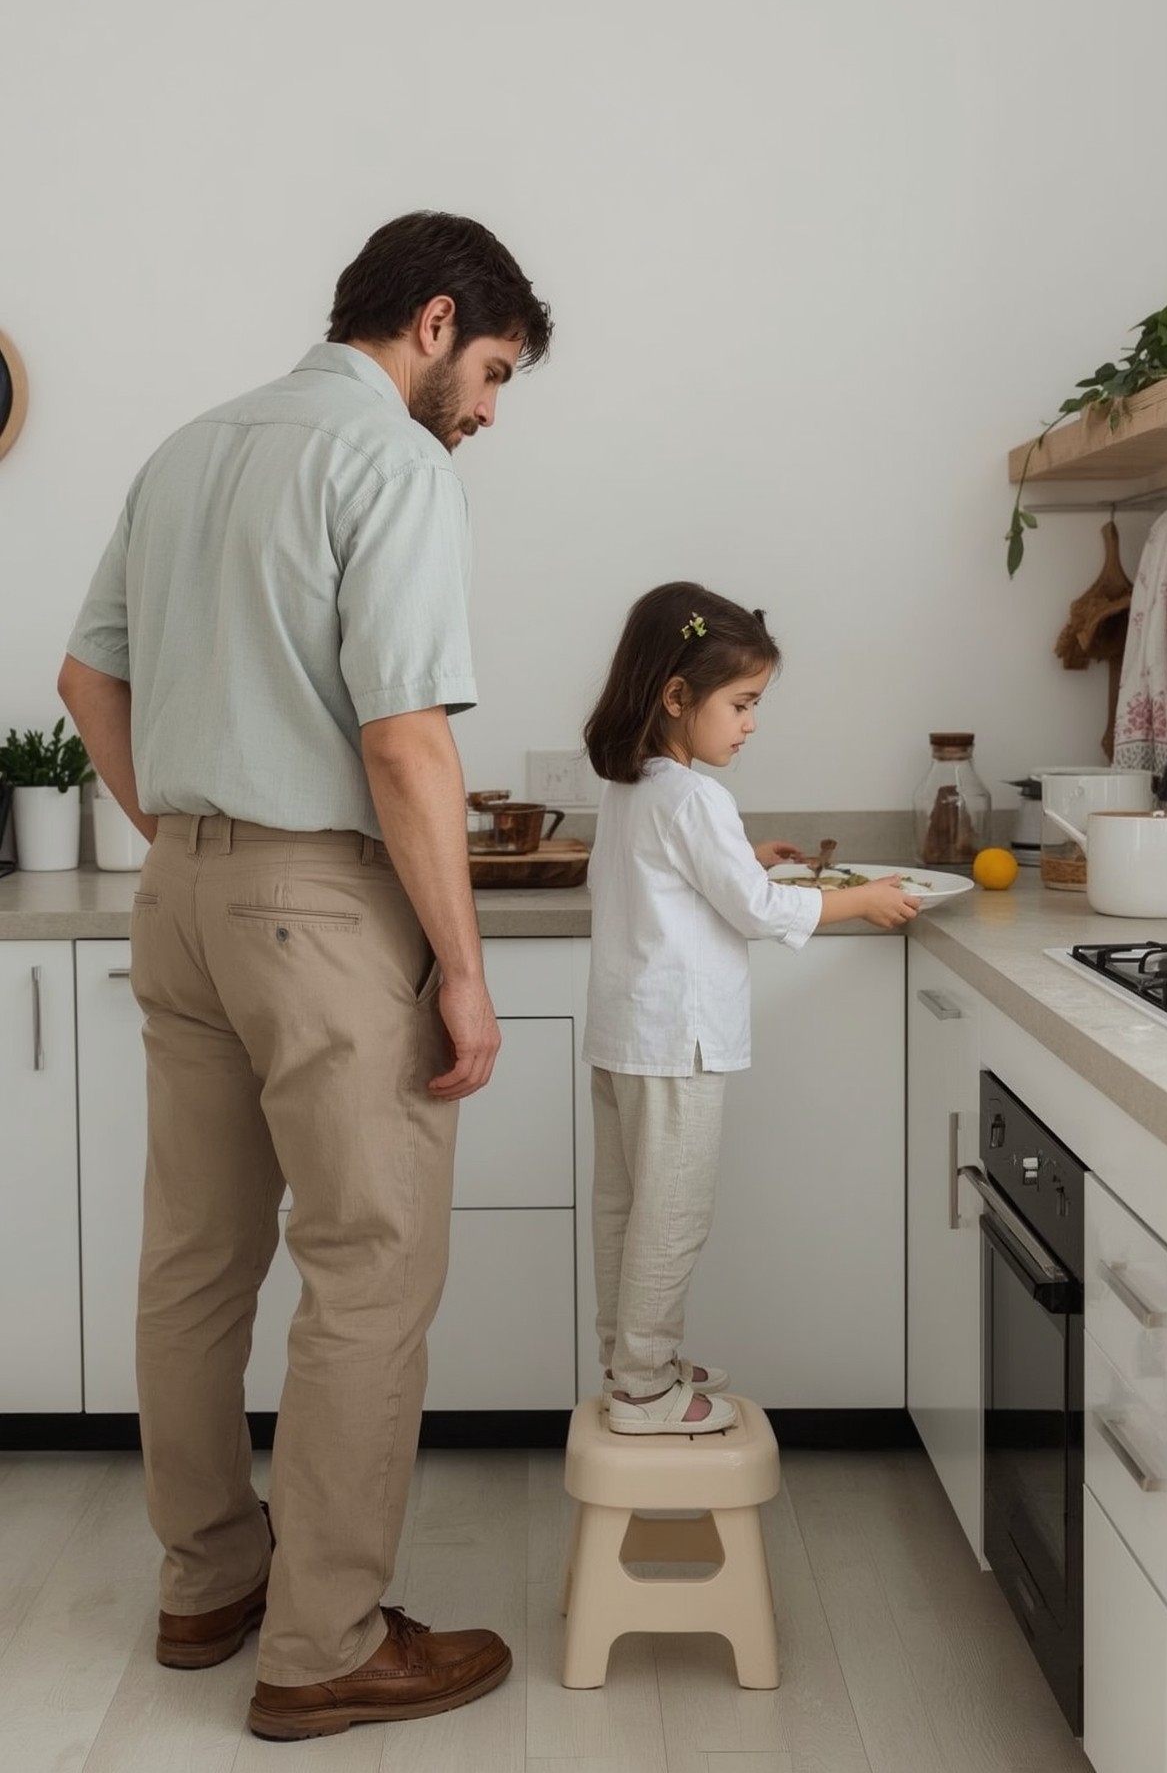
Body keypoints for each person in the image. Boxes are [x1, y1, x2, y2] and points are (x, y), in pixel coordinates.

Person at [57, 211, 552, 1741]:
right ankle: (326, 1640)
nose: (486, 409)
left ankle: (210, 1584)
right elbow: (406, 740)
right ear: (436, 319)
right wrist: (462, 973)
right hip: (320, 911)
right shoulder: (386, 460)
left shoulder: (190, 446)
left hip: (185, 898)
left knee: (195, 1261)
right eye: (494, 372)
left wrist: (195, 837)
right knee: (369, 1268)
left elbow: (87, 677)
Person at [581, 582, 918, 1435]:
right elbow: (758, 912)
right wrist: (862, 901)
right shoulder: (696, 799)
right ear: (676, 696)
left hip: (626, 1037)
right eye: (742, 703)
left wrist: (747, 857)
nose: (751, 723)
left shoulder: (631, 791)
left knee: (625, 1209)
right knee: (672, 1216)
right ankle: (648, 1391)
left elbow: (681, 884)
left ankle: (629, 1360)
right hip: (681, 1043)